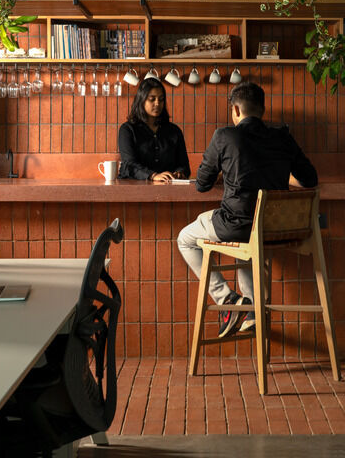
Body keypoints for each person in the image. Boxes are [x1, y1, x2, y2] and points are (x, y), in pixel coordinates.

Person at [177, 81, 318, 338]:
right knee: (251, 239)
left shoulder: (224, 136)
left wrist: (227, 169)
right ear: (262, 110)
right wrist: (277, 174)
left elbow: (202, 184)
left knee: (185, 238)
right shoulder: (283, 137)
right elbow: (310, 179)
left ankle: (228, 300)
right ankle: (253, 311)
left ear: (235, 110)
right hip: (275, 228)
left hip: (238, 225)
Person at [118, 77, 190, 182]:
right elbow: (129, 165)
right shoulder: (128, 130)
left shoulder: (174, 131)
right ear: (141, 100)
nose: (157, 103)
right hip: (134, 188)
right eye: (152, 99)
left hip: (167, 187)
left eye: (161, 99)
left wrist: (179, 173)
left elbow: (184, 165)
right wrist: (152, 175)